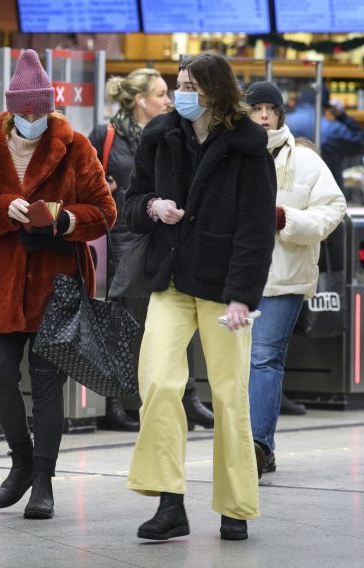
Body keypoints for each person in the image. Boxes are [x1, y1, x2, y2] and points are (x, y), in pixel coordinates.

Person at [0, 49, 116, 519]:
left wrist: (63, 219)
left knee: (47, 386)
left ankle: (43, 481)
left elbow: (105, 212)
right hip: (1, 281)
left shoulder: (76, 145)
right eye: (22, 110)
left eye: (39, 110)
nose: (31, 117)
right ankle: (21, 461)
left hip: (57, 283)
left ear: (50, 105)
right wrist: (2, 208)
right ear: (9, 108)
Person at [123, 52, 277, 541]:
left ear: (215, 90)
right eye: (177, 83)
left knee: (230, 395)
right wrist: (152, 206)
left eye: (190, 84)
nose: (180, 92)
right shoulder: (160, 135)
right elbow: (129, 205)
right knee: (159, 383)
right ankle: (170, 503)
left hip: (224, 287)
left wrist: (242, 296)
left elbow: (256, 230)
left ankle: (236, 507)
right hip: (170, 278)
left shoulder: (249, 146)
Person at [88, 68, 214, 433]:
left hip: (163, 234)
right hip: (121, 237)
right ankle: (114, 401)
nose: (169, 100)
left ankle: (187, 398)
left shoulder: (173, 133)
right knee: (121, 322)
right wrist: (102, 187)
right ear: (141, 100)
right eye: (161, 93)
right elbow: (81, 177)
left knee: (174, 313)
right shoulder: (107, 135)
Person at [244, 81, 346, 478]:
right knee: (239, 363)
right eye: (257, 109)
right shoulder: (229, 153)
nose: (264, 115)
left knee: (263, 357)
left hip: (283, 278)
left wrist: (287, 219)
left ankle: (258, 445)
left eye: (270, 108)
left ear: (281, 114)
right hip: (233, 278)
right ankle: (244, 443)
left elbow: (332, 208)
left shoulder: (305, 161)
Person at [287, 86, 364, 192]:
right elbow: (359, 143)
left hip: (288, 192)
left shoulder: (284, 123)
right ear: (325, 106)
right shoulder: (332, 129)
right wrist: (342, 115)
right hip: (325, 195)